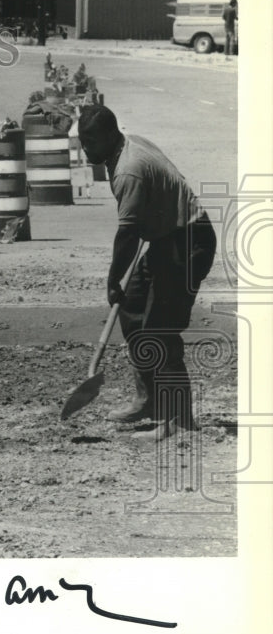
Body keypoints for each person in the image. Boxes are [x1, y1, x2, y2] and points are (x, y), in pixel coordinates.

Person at [77, 106, 216, 442]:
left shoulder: (129, 170)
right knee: (134, 310)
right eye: (82, 142)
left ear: (111, 136)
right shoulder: (127, 147)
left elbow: (127, 234)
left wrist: (113, 279)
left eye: (91, 142)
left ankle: (179, 421)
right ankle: (149, 399)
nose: (86, 150)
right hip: (166, 237)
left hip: (188, 240)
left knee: (160, 330)